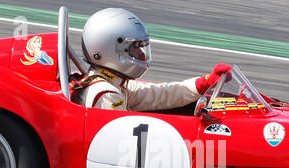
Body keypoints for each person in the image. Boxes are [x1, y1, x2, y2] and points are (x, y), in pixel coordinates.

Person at [73, 7, 231, 111]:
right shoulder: (106, 94)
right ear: (110, 48)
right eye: (134, 47)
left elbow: (160, 94)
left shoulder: (112, 84)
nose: (141, 54)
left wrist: (204, 83)